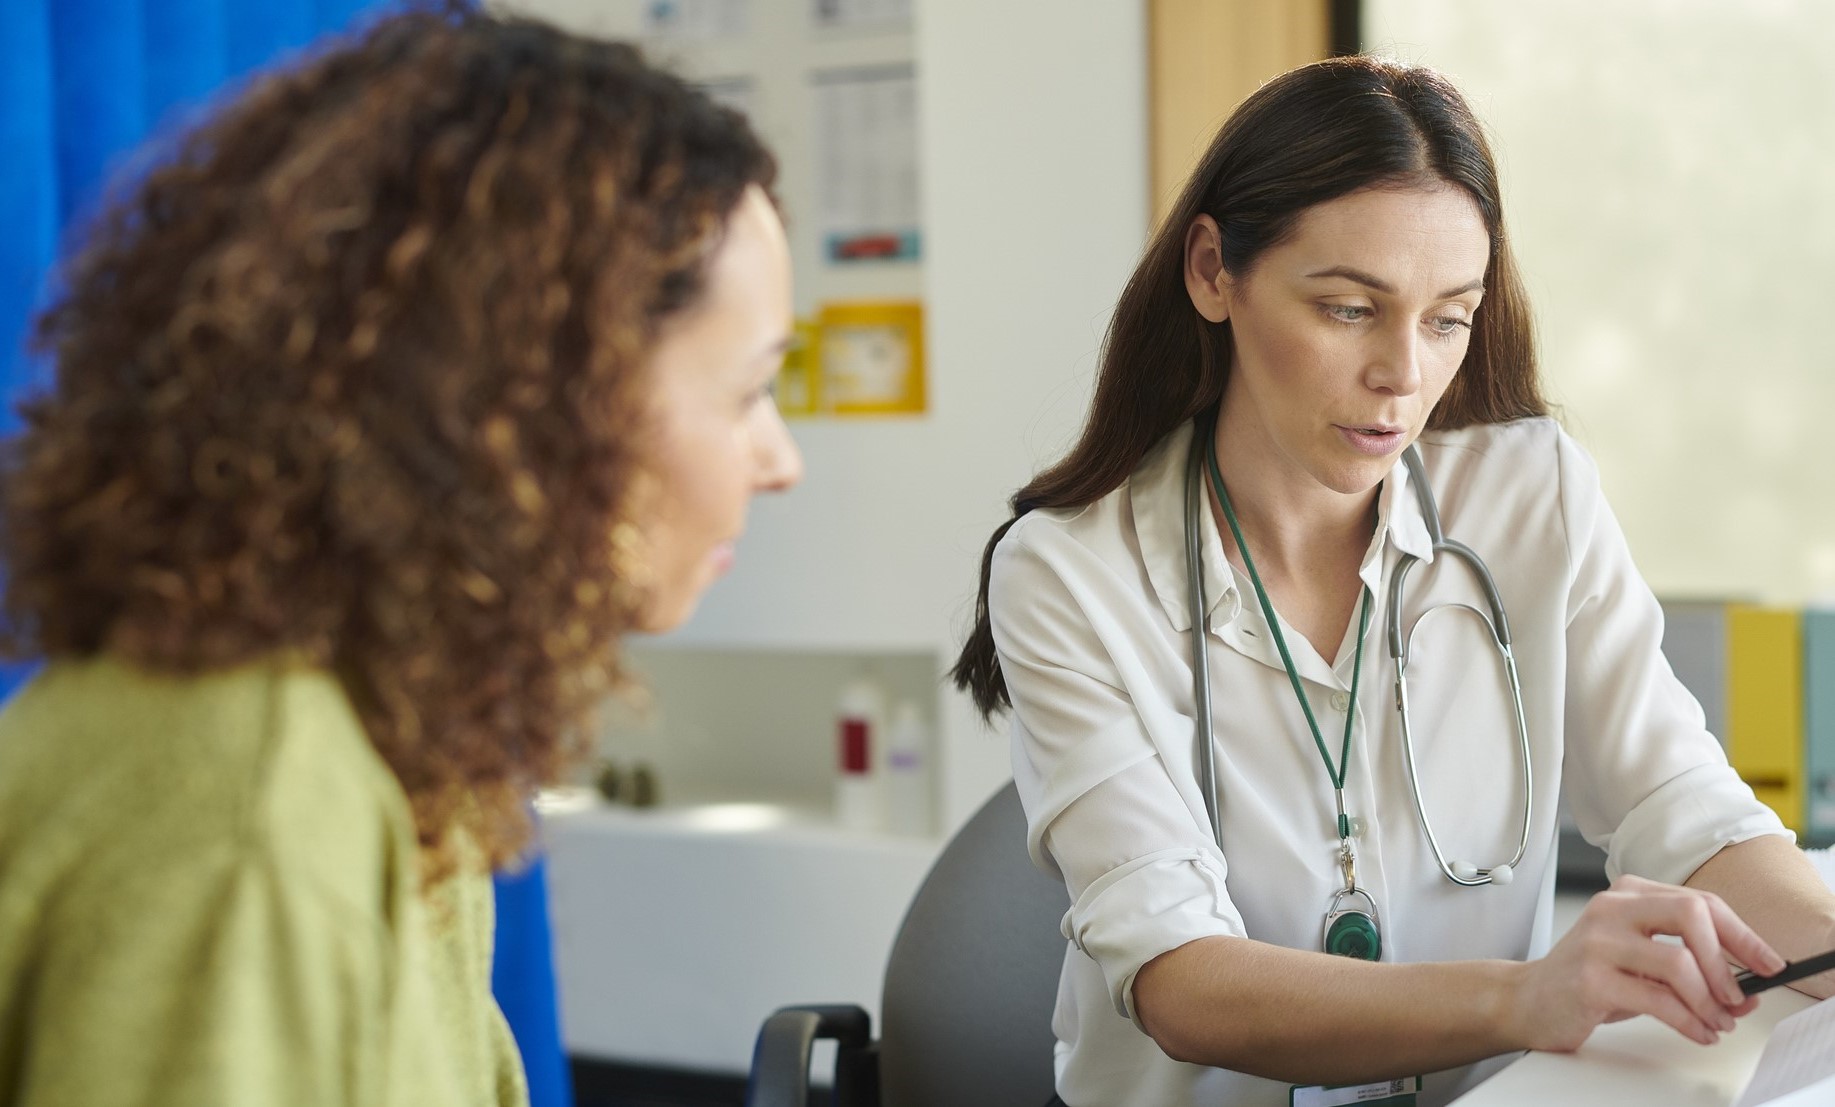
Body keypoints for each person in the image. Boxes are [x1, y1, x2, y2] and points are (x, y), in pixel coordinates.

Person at [952, 55, 1835, 1107]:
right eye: (1344, 309)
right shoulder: (1068, 572)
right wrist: (1524, 996)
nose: (1402, 376)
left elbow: (1680, 809)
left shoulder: (1529, 496)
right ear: (1209, 272)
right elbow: (1176, 980)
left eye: (1446, 318)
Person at [0, 8, 801, 1107]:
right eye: (749, 389)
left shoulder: (399, 741)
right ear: (531, 406)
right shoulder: (252, 806)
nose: (779, 461)